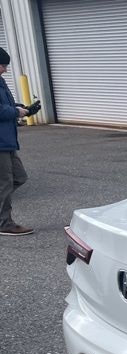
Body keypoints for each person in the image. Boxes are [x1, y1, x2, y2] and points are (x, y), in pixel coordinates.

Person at [0, 47, 32, 236]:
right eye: (2, 65)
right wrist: (15, 112)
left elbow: (5, 106)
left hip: (7, 140)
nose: (5, 69)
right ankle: (4, 223)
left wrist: (20, 108)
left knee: (19, 177)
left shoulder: (1, 82)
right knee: (4, 183)